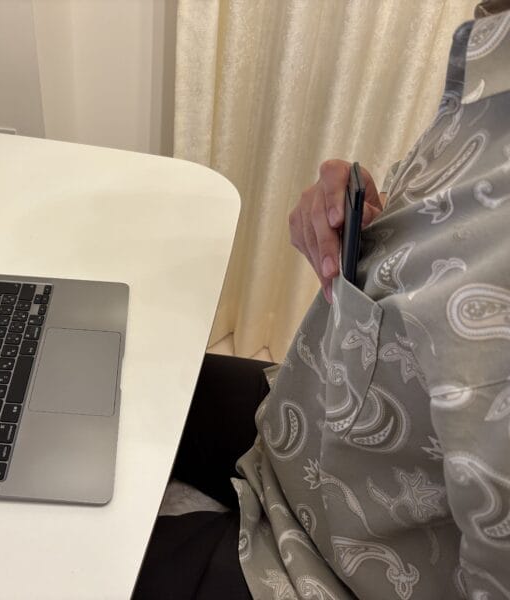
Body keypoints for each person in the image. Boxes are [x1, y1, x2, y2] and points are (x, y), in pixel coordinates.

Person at [134, 4, 510, 599]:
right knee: (124, 384)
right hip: (303, 419)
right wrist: (377, 223)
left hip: (335, 572)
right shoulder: (493, 60)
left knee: (63, 564)